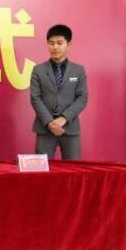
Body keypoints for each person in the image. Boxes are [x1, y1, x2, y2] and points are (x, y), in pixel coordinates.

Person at [30, 24, 88, 160]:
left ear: (69, 45)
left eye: (59, 43)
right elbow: (35, 98)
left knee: (73, 169)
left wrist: (64, 118)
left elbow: (82, 97)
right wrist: (50, 122)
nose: (55, 47)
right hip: (45, 127)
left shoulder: (78, 70)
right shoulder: (38, 70)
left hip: (70, 127)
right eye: (51, 43)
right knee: (42, 168)